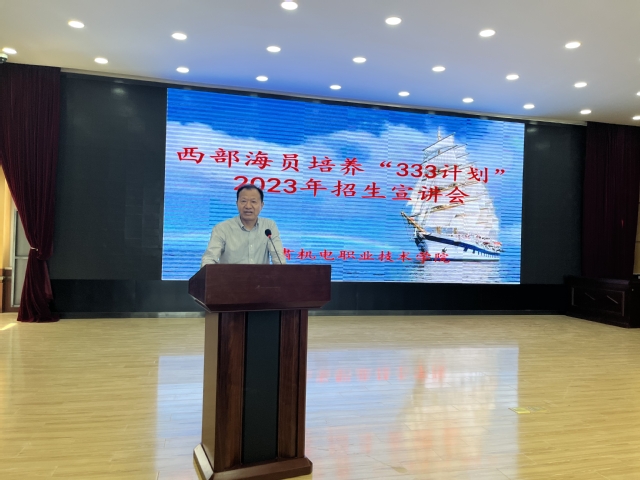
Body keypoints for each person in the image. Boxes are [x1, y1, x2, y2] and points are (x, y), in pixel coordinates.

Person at [201, 184, 286, 266]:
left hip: (261, 276)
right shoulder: (222, 228)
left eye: (253, 201)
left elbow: (278, 258)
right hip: (230, 276)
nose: (248, 206)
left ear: (261, 205)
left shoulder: (269, 226)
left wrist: (283, 272)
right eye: (243, 201)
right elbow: (209, 258)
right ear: (237, 203)